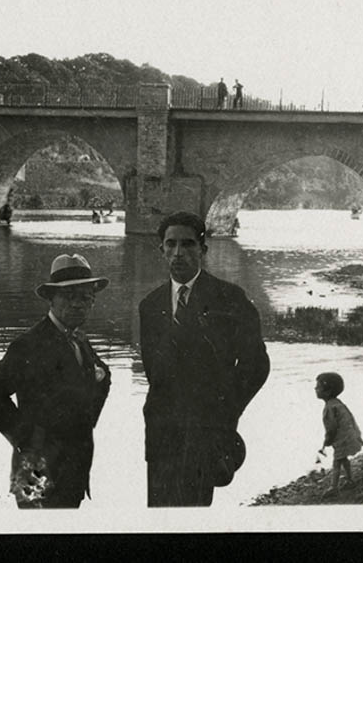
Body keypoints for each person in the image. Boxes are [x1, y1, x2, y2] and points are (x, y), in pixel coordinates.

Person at [139, 211, 270, 506]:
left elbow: (257, 365)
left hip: (207, 429)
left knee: (192, 513)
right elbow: (154, 370)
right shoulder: (150, 305)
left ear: (203, 250)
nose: (178, 253)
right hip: (161, 430)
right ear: (161, 250)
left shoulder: (230, 298)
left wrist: (225, 411)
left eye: (187, 245)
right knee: (158, 514)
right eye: (170, 245)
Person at [0, 253, 111, 508]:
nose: (78, 305)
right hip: (36, 471)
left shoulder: (80, 341)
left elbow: (101, 380)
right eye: (69, 297)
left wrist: (85, 420)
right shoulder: (29, 345)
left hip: (75, 470)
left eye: (85, 298)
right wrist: (27, 439)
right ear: (51, 299)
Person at [316, 372, 363, 497]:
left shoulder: (329, 408)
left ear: (327, 392)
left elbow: (331, 428)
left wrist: (327, 441)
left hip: (342, 438)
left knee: (337, 462)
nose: (315, 389)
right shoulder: (338, 403)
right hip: (348, 435)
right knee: (343, 459)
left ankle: (334, 487)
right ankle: (349, 479)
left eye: (318, 387)